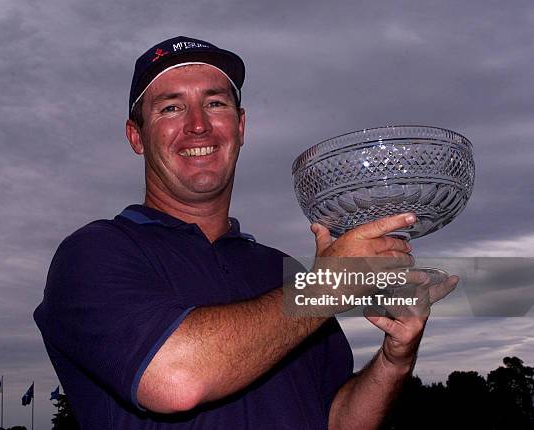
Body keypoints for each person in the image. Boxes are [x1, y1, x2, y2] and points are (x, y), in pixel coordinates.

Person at [34, 36, 457, 429]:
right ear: (136, 136)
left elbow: (337, 419)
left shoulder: (283, 271)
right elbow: (174, 378)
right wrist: (329, 285)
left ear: (240, 127)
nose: (198, 125)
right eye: (170, 108)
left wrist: (394, 358)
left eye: (215, 103)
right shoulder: (93, 254)